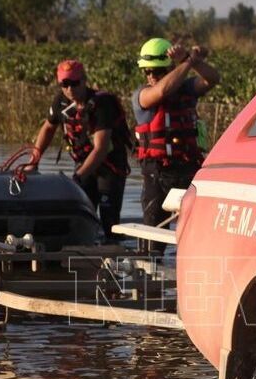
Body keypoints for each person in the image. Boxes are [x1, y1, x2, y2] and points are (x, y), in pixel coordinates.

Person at [27, 59, 133, 238]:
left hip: (110, 167)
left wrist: (77, 178)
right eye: (64, 84)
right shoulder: (60, 102)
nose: (70, 89)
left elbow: (101, 148)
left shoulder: (101, 104)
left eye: (75, 83)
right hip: (84, 164)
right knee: (80, 216)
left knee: (109, 222)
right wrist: (33, 161)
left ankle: (114, 251)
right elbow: (47, 128)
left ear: (84, 80)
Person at [132, 38, 221, 245]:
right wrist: (187, 62)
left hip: (188, 168)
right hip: (157, 173)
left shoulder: (187, 89)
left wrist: (196, 61)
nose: (152, 76)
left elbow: (213, 78)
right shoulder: (141, 95)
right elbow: (161, 92)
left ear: (170, 68)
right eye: (147, 71)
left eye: (158, 71)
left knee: (195, 234)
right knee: (152, 238)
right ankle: (150, 268)